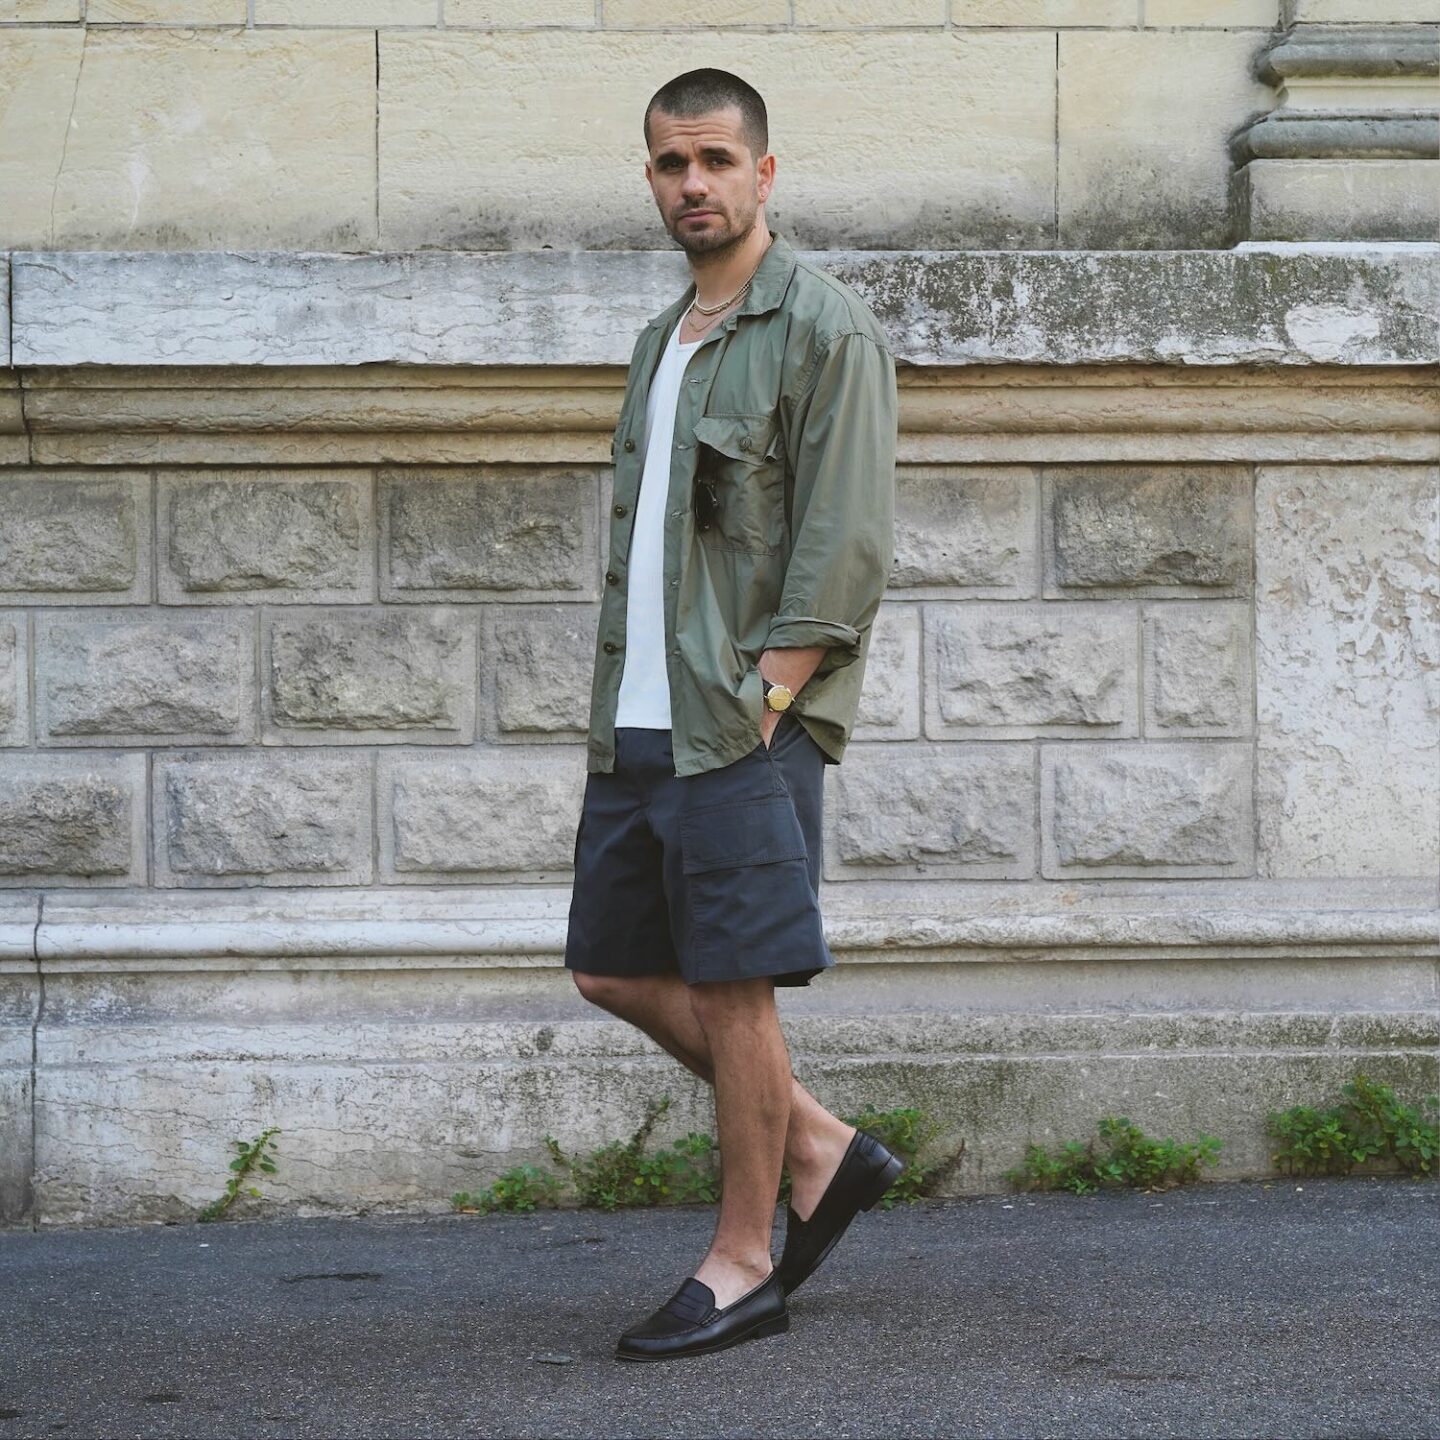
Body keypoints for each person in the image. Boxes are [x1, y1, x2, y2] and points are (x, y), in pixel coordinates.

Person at [564, 66, 900, 1363]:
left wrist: (773, 696)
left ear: (765, 173)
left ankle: (745, 1255)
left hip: (739, 724)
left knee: (735, 986)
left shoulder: (825, 329)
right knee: (611, 964)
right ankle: (818, 1147)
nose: (690, 185)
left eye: (714, 161)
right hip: (637, 721)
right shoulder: (664, 340)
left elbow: (846, 541)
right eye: (668, 164)